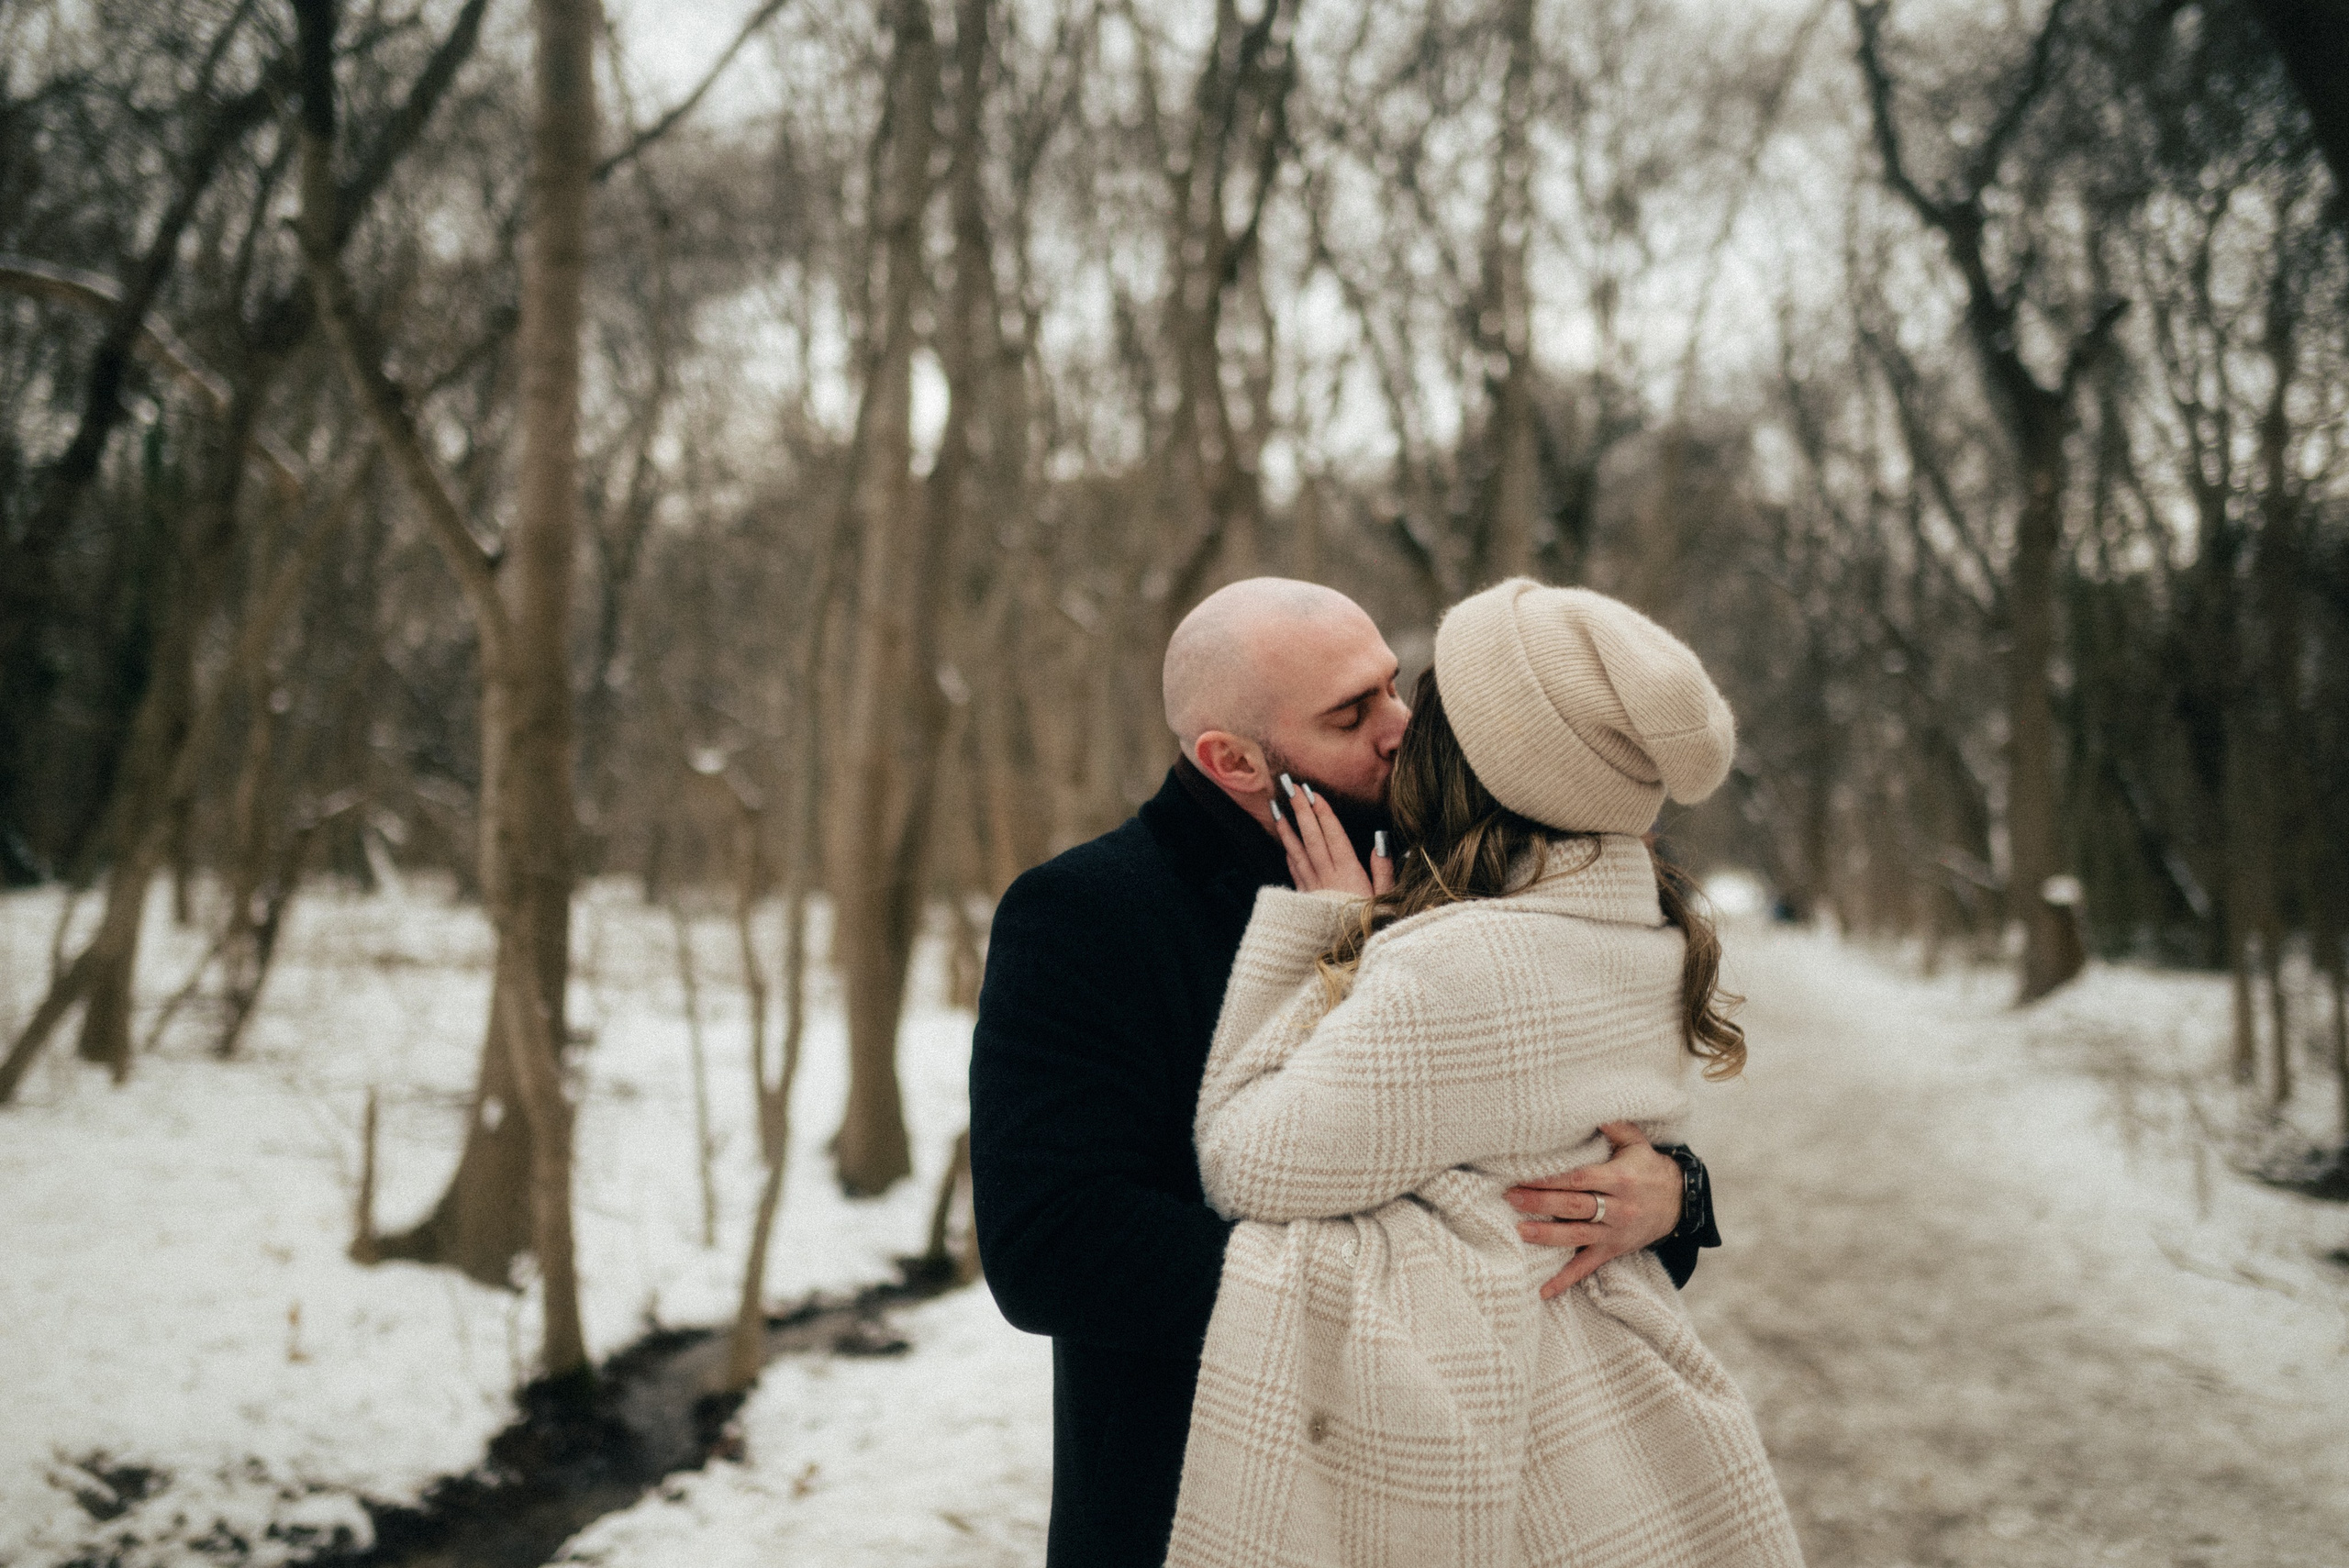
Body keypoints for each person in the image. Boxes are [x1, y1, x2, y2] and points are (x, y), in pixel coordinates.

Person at [970, 578, 1721, 1567]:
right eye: (1350, 713)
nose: (1400, 727)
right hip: (1196, 1491)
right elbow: (1050, 1248)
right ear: (1233, 759)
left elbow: (1556, 1155)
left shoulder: (1462, 871)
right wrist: (1418, 1306)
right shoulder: (1090, 914)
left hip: (1463, 1509)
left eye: (1393, 686)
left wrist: (1674, 1195)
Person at [1166, 578, 1802, 1567]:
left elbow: (1247, 1160)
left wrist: (1328, 930)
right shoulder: (1642, 926)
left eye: (1418, 703)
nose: (1399, 728)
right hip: (1607, 1443)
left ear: (1474, 763)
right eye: (1358, 709)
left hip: (1512, 1441)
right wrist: (1678, 1187)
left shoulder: (1461, 961)